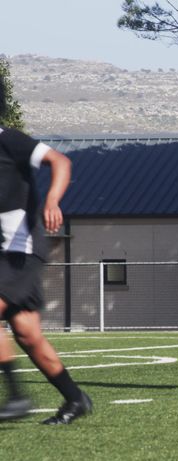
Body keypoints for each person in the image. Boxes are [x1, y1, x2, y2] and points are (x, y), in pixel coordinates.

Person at [0, 84, 93, 424]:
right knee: (27, 333)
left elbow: (60, 161)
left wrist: (53, 200)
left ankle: (16, 397)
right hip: (3, 257)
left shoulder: (9, 139)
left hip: (21, 249)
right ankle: (74, 399)